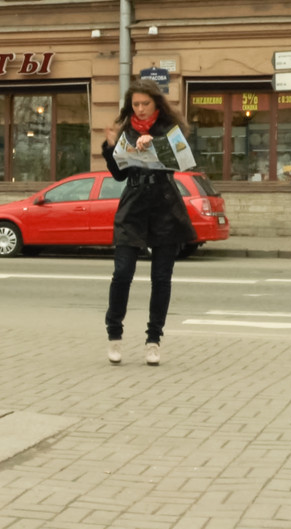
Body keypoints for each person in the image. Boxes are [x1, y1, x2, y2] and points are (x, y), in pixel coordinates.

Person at [101, 79, 197, 366]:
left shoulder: (170, 130)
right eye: (136, 105)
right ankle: (114, 334)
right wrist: (110, 147)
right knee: (122, 273)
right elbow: (119, 174)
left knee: (161, 278)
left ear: (156, 103)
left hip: (165, 206)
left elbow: (183, 162)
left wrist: (155, 143)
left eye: (145, 104)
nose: (140, 109)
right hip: (133, 206)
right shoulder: (126, 131)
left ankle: (153, 340)